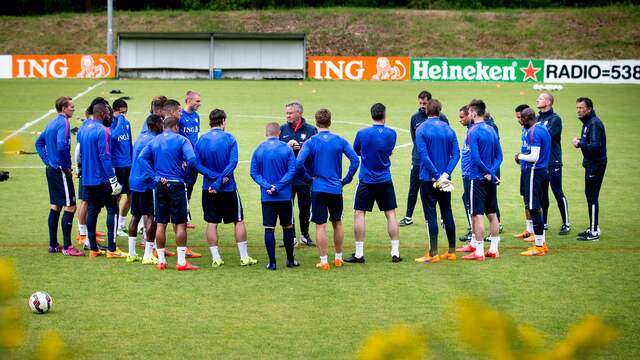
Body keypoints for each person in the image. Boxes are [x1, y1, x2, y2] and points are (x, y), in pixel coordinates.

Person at [137, 115, 217, 271]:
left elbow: (141, 159)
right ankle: (181, 262)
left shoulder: (155, 141)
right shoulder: (182, 140)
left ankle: (161, 260)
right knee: (180, 224)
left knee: (160, 223)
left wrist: (155, 176)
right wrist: (186, 173)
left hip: (160, 185)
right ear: (175, 127)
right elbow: (192, 160)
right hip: (177, 185)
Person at [296, 108, 359, 270]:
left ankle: (324, 260)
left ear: (316, 123)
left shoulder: (311, 141)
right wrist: (346, 179)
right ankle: (338, 258)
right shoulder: (340, 140)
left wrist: (308, 179)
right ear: (330, 121)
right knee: (337, 223)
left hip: (318, 188)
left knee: (320, 225)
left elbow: (298, 163)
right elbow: (355, 160)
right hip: (335, 188)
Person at [195, 109, 258, 268]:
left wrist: (213, 178)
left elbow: (196, 164)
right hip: (228, 187)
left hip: (208, 188)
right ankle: (244, 257)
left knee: (211, 222)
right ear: (223, 121)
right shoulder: (229, 138)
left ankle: (216, 258)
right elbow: (233, 163)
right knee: (238, 220)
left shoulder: (201, 140)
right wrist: (220, 180)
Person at [347, 103, 402, 263]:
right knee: (391, 214)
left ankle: (359, 254)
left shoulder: (362, 133)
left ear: (371, 115)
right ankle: (395, 252)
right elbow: (390, 150)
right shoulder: (392, 133)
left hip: (366, 179)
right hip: (385, 178)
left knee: (359, 214)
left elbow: (356, 151)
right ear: (384, 115)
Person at [35, 96, 82, 256]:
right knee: (70, 206)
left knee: (55, 205)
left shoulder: (51, 123)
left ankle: (53, 244)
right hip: (61, 170)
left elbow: (39, 143)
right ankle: (68, 247)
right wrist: (66, 166)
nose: (73, 109)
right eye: (71, 107)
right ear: (63, 108)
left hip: (52, 169)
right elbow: (62, 146)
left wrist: (48, 161)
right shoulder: (64, 123)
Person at [413, 99, 460, 263]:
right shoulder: (449, 129)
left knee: (430, 214)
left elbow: (424, 157)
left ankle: (433, 253)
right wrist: (446, 174)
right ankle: (452, 251)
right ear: (440, 111)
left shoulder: (421, 129)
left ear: (427, 111)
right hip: (445, 179)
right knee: (447, 211)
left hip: (428, 178)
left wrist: (436, 175)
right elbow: (456, 155)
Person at [78, 103, 127, 258]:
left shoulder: (84, 128)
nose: (110, 116)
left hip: (88, 178)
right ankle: (112, 250)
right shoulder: (103, 131)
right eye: (108, 113)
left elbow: (79, 152)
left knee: (92, 210)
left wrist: (79, 169)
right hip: (103, 179)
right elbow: (104, 156)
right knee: (112, 210)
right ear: (101, 114)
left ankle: (93, 248)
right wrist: (113, 180)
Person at [250, 122, 299, 270]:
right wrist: (278, 186)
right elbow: (292, 171)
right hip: (284, 196)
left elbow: (254, 173)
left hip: (267, 197)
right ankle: (290, 260)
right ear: (279, 133)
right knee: (288, 227)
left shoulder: (259, 149)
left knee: (269, 228)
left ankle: (272, 263)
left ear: (266, 133)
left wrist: (267, 186)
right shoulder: (286, 149)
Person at [460, 99, 502, 261]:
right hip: (489, 178)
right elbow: (500, 156)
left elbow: (476, 158)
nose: (468, 115)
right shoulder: (492, 130)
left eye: (469, 112)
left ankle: (478, 251)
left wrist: (486, 172)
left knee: (477, 215)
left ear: (474, 113)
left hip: (476, 178)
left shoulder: (473, 132)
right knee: (492, 214)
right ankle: (494, 249)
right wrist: (491, 173)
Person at [400, 90, 449, 227]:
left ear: (430, 103)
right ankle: (408, 217)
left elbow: (446, 138)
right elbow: (414, 139)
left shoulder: (442, 118)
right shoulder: (414, 118)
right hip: (418, 160)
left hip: (435, 161)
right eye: (420, 103)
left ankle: (444, 218)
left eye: (425, 103)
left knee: (440, 188)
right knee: (413, 188)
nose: (422, 105)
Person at [163, 99, 201, 258]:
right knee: (178, 217)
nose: (181, 114)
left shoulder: (161, 132)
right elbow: (191, 159)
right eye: (179, 112)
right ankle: (182, 254)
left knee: (160, 218)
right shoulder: (176, 136)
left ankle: (155, 251)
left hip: (162, 179)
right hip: (175, 178)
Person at [127, 114, 164, 265]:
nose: (163, 125)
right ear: (155, 125)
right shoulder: (154, 141)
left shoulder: (140, 137)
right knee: (151, 217)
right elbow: (149, 162)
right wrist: (156, 177)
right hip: (146, 183)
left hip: (134, 181)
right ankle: (148, 254)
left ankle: (131, 253)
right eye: (161, 122)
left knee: (135, 216)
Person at [280, 100, 317, 246]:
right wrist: (286, 147)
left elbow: (315, 152)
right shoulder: (282, 129)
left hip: (304, 177)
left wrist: (301, 148)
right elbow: (276, 151)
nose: (287, 115)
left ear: (299, 113)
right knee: (287, 207)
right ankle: (291, 237)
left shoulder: (310, 130)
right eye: (286, 113)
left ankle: (304, 235)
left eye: (290, 113)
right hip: (287, 178)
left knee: (305, 208)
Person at [516, 108, 551, 256]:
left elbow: (534, 156)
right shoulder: (542, 128)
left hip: (534, 172)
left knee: (534, 208)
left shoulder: (534, 132)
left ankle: (538, 246)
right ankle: (542, 243)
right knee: (536, 207)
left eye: (521, 119)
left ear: (528, 118)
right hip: (543, 172)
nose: (520, 121)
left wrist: (520, 156)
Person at [75, 97, 109, 250]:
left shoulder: (87, 125)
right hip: (90, 172)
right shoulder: (91, 126)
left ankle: (89, 235)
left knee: (90, 205)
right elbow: (78, 149)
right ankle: (83, 234)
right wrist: (78, 168)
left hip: (87, 170)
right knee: (86, 202)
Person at [572, 97, 607, 241]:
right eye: (577, 108)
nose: (579, 110)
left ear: (589, 109)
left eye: (581, 108)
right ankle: (593, 226)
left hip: (595, 164)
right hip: (591, 164)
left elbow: (595, 146)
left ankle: (593, 232)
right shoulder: (588, 123)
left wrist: (579, 143)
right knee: (590, 195)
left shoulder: (594, 124)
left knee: (592, 196)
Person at [536, 93, 570, 235]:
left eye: (541, 98)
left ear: (548, 102)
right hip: (541, 162)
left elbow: (545, 137)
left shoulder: (555, 119)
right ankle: (544, 222)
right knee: (542, 194)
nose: (537, 100)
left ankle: (566, 223)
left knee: (557, 191)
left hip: (553, 161)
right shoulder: (537, 119)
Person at [110, 98, 134, 237]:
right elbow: (113, 137)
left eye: (126, 112)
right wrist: (119, 120)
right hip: (117, 166)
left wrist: (132, 160)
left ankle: (121, 225)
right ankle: (115, 228)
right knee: (117, 197)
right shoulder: (112, 124)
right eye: (122, 112)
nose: (124, 115)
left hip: (128, 165)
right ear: (116, 111)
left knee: (131, 196)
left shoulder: (127, 123)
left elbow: (129, 142)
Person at [179, 91, 202, 230]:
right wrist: (181, 158)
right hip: (184, 161)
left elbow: (196, 136)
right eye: (197, 101)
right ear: (188, 100)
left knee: (190, 187)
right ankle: (183, 217)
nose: (199, 104)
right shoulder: (180, 116)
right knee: (183, 188)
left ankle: (185, 216)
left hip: (194, 160)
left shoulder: (197, 116)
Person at [457, 105, 473, 243]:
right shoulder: (470, 129)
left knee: (470, 201)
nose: (459, 120)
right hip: (467, 172)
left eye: (462, 117)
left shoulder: (473, 131)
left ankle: (473, 232)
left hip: (470, 173)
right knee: (467, 199)